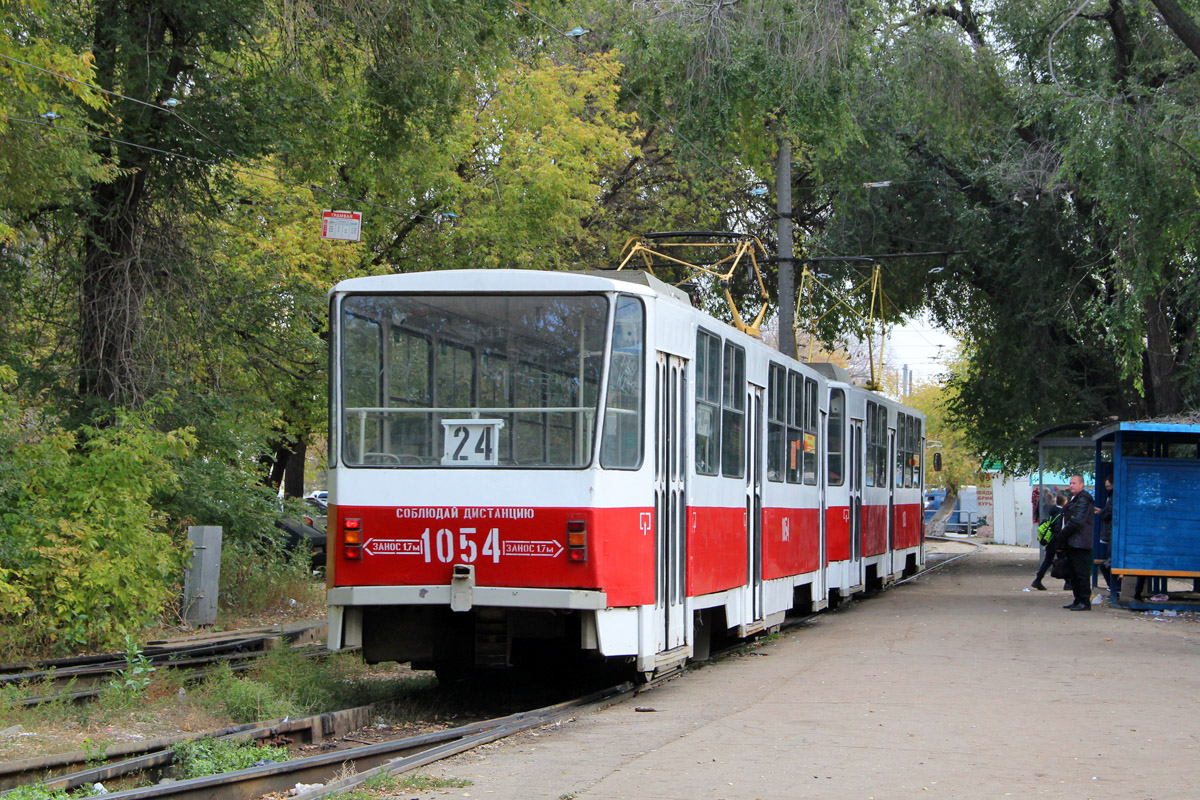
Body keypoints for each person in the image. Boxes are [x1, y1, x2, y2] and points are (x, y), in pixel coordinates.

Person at [1062, 474, 1096, 610]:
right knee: (1074, 572)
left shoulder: (1084, 499)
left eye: (1074, 483)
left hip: (1080, 541)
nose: (1071, 485)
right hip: (1073, 541)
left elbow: (1077, 521)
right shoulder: (1074, 499)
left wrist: (1063, 534)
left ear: (1082, 484)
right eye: (1070, 483)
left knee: (1081, 572)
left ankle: (1084, 601)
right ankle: (1077, 599)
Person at [1032, 490, 1069, 590]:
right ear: (1063, 503)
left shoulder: (1054, 511)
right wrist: (1060, 544)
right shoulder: (1061, 513)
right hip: (1056, 542)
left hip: (1051, 540)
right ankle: (1068, 582)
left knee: (1048, 560)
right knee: (1065, 560)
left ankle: (1038, 579)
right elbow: (1058, 529)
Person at [1094, 476, 1115, 590]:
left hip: (1111, 532)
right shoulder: (1111, 496)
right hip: (1110, 532)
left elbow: (1109, 513)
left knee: (1107, 563)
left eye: (1108, 486)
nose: (1107, 488)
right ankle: (1114, 587)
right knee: (1107, 562)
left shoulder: (1113, 496)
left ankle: (1115, 588)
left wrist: (1101, 512)